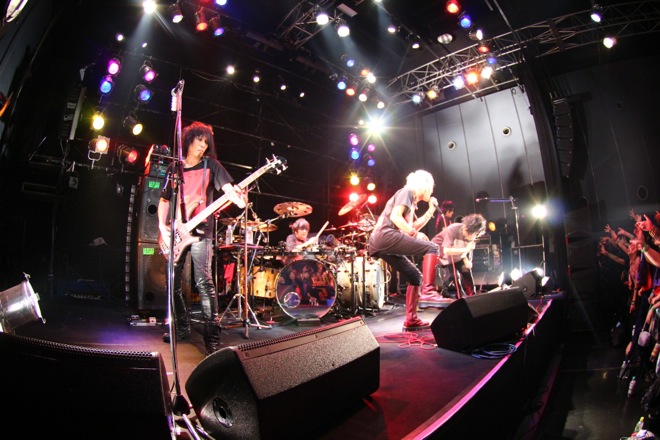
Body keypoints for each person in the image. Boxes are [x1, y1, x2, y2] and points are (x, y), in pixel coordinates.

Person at [158, 121, 247, 356]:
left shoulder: (212, 166)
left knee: (204, 283)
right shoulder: (174, 169)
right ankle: (182, 327)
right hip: (177, 232)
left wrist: (240, 199)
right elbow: (164, 200)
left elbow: (230, 192)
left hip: (201, 232)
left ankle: (212, 339)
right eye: (200, 140)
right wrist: (162, 227)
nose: (203, 145)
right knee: (172, 284)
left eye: (207, 142)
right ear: (189, 140)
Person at [367, 170, 439, 330]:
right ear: (424, 185)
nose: (432, 191)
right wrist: (414, 234)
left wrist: (430, 211)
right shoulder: (407, 192)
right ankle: (428, 291)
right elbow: (395, 217)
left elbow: (409, 227)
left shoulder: (411, 201)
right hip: (385, 236)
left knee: (415, 276)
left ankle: (411, 319)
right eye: (431, 186)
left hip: (383, 241)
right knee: (433, 247)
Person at [421, 214, 487, 299]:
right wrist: (466, 249)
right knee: (454, 275)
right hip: (442, 255)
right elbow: (447, 250)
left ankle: (472, 296)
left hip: (456, 255)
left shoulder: (472, 235)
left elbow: (466, 248)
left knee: (466, 271)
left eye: (474, 235)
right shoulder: (453, 229)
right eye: (468, 232)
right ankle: (460, 296)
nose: (469, 236)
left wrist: (467, 260)